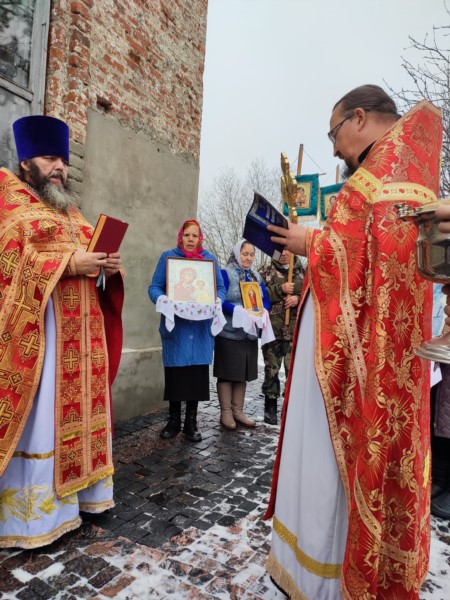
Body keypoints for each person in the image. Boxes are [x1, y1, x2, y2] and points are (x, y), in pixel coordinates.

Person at [264, 85, 442, 598]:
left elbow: (375, 261)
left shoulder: (385, 176)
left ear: (358, 118)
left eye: (334, 133)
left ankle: (325, 573)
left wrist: (311, 243)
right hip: (351, 345)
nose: (336, 147)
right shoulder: (397, 168)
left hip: (351, 365)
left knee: (330, 464)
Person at [0, 115, 124, 549]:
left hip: (84, 342)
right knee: (43, 423)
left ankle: (83, 501)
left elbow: (92, 261)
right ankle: (34, 519)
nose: (60, 168)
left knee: (78, 420)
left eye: (64, 161)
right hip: (41, 345)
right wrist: (70, 265)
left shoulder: (69, 210)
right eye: (51, 158)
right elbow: (8, 265)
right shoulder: (10, 204)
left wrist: (106, 268)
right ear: (26, 160)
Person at [148, 219, 226, 442]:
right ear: (180, 237)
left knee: (196, 377)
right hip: (178, 331)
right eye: (187, 235)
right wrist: (162, 298)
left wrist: (218, 301)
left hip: (200, 330)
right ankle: (173, 421)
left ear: (200, 238)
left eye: (195, 235)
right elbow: (154, 286)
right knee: (176, 376)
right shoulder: (168, 257)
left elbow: (220, 288)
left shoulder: (209, 260)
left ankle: (191, 422)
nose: (191, 239)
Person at [214, 240, 270, 429]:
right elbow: (218, 299)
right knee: (227, 373)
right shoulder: (225, 273)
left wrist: (264, 312)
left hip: (248, 333)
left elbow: (264, 298)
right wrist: (237, 311)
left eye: (251, 254)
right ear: (237, 254)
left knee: (241, 373)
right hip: (229, 332)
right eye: (245, 253)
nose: (248, 257)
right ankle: (226, 413)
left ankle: (238, 411)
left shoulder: (255, 275)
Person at [259, 249, 304, 424]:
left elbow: (314, 295)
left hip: (295, 331)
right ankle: (270, 408)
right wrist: (280, 289)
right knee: (272, 370)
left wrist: (298, 299)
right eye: (279, 250)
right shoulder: (265, 271)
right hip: (273, 330)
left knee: (293, 371)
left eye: (288, 250)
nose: (284, 254)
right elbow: (257, 294)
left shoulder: (303, 271)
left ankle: (291, 408)